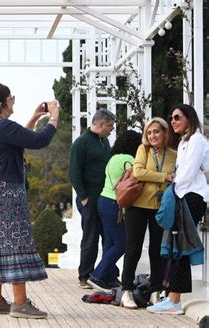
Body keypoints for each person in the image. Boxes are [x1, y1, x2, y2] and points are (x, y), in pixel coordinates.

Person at [0, 82, 58, 319]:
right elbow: (39, 140)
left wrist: (33, 116)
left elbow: (21, 139)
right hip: (9, 196)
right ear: (3, 104)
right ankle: (20, 303)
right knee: (15, 245)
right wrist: (54, 117)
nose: (13, 101)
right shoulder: (4, 127)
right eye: (11, 98)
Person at [147, 104, 209, 315]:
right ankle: (173, 297)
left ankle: (174, 300)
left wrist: (173, 190)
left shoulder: (197, 140)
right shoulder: (185, 142)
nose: (172, 121)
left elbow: (189, 172)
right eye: (171, 117)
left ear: (189, 119)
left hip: (192, 196)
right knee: (176, 246)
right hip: (183, 195)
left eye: (176, 117)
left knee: (180, 247)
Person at [120, 117, 177, 309]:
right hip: (137, 206)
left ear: (164, 133)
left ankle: (155, 292)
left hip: (160, 209)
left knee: (157, 252)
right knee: (133, 249)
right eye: (149, 132)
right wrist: (164, 177)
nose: (152, 135)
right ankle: (126, 291)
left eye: (156, 131)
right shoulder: (143, 150)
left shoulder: (173, 155)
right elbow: (138, 172)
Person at [68, 108, 116, 289]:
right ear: (101, 124)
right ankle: (84, 276)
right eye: (110, 126)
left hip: (105, 198)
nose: (111, 130)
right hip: (89, 199)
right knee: (91, 237)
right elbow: (74, 171)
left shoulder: (105, 142)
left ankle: (108, 275)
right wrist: (84, 197)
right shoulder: (81, 143)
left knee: (109, 238)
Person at [88, 130, 142, 290]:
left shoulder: (113, 158)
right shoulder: (129, 160)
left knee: (110, 242)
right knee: (122, 243)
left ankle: (108, 278)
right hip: (114, 204)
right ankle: (97, 275)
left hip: (103, 201)